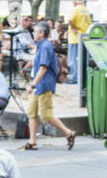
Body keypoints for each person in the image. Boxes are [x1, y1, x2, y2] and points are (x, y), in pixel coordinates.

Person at [23, 22, 76, 151]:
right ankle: (32, 141)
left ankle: (68, 132)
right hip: (39, 85)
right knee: (31, 112)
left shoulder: (46, 46)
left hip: (44, 85)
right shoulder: (40, 46)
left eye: (35, 31)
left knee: (46, 116)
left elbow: (43, 68)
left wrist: (32, 84)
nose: (33, 33)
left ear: (42, 33)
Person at [67, 0, 92, 84]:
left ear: (74, 1)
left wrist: (73, 27)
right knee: (84, 59)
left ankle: (75, 78)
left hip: (75, 38)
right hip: (85, 37)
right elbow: (90, 24)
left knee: (73, 59)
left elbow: (70, 21)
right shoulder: (86, 10)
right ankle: (83, 78)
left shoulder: (75, 10)